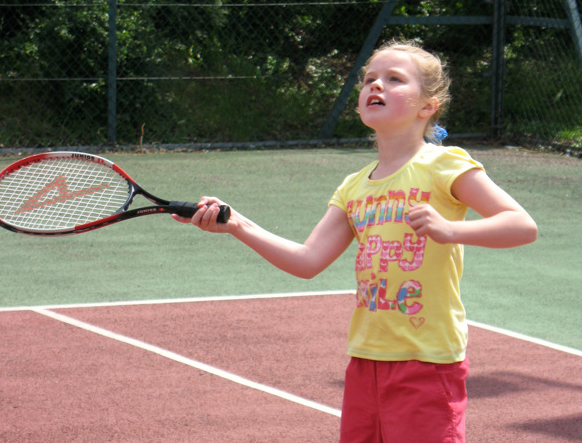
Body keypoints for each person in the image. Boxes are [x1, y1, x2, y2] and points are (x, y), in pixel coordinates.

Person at [173, 40, 538, 443]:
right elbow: (308, 260)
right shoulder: (354, 187)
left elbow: (521, 225)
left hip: (426, 360)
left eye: (394, 79)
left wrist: (453, 230)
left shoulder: (443, 164)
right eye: (369, 79)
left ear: (427, 106)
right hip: (366, 360)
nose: (375, 86)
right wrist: (238, 224)